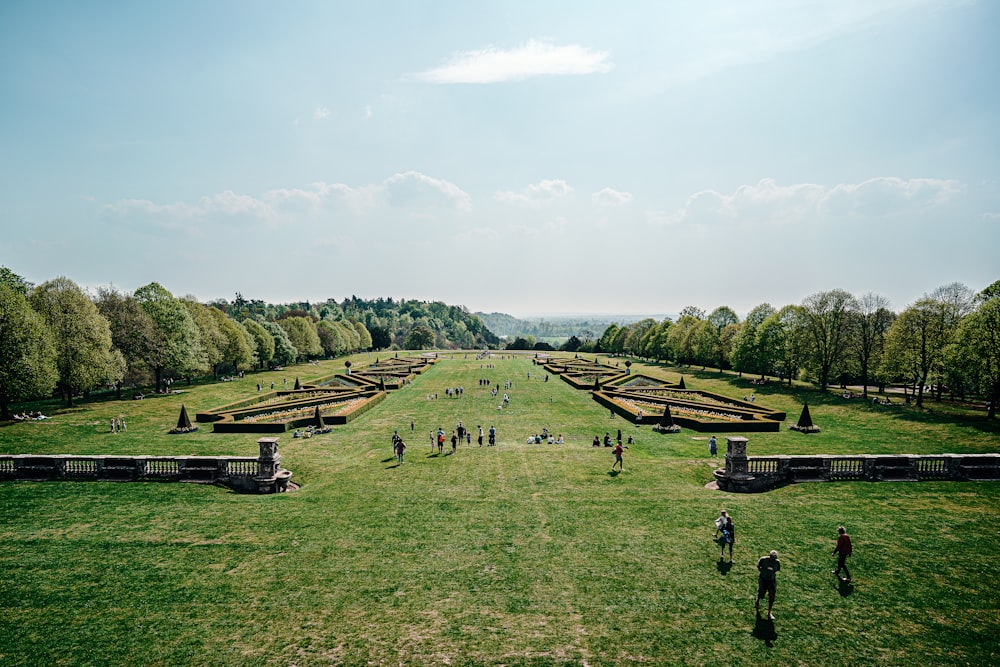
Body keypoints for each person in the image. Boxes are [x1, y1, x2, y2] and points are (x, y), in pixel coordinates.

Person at [756, 550, 781, 620]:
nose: (773, 560)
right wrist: (762, 572)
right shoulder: (763, 560)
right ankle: (757, 601)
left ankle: (769, 612)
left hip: (771, 581)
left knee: (772, 596)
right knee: (761, 593)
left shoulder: (777, 562)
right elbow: (758, 566)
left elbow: (777, 570)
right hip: (763, 579)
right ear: (770, 556)